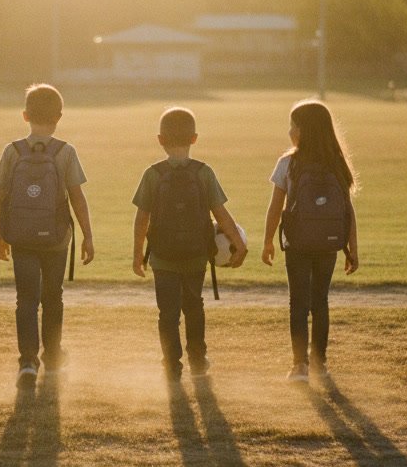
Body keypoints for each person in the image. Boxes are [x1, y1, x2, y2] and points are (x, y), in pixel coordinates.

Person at [132, 107, 247, 381]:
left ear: (160, 139)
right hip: (196, 256)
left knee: (167, 313)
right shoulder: (203, 173)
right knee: (194, 306)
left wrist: (138, 255)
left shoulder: (153, 174)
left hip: (162, 257)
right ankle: (198, 360)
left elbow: (142, 218)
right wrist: (237, 243)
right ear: (194, 138)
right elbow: (220, 213)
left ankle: (172, 365)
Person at [0, 83, 94, 387]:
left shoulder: (13, 151)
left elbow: (1, 199)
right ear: (59, 117)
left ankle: (27, 363)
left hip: (21, 238)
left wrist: (0, 237)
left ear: (25, 115)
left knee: (26, 299)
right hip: (56, 238)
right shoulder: (65, 151)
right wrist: (87, 236)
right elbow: (77, 198)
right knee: (53, 298)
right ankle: (52, 358)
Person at [260, 99, 358, 383]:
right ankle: (320, 364)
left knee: (298, 302)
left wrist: (268, 241)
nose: (289, 131)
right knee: (320, 301)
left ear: (303, 130)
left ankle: (299, 366)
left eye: (293, 125)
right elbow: (347, 211)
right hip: (329, 243)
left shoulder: (288, 163)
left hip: (297, 243)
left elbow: (275, 207)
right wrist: (352, 247)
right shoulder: (336, 163)